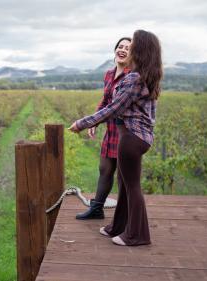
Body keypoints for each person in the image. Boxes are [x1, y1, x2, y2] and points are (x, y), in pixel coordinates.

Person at [69, 30, 162, 246]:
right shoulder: (144, 76)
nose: (126, 48)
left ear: (140, 50)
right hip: (133, 136)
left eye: (132, 45)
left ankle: (137, 235)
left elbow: (113, 108)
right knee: (124, 182)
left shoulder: (133, 78)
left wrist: (83, 123)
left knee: (132, 187)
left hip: (131, 137)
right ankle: (119, 227)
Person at [76, 37, 132, 220]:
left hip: (126, 130)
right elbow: (106, 101)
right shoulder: (109, 74)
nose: (122, 50)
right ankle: (97, 209)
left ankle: (126, 215)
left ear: (133, 55)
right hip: (111, 128)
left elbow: (116, 107)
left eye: (128, 48)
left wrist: (88, 122)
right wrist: (95, 121)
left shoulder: (132, 76)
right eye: (120, 46)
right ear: (115, 50)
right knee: (105, 168)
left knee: (124, 176)